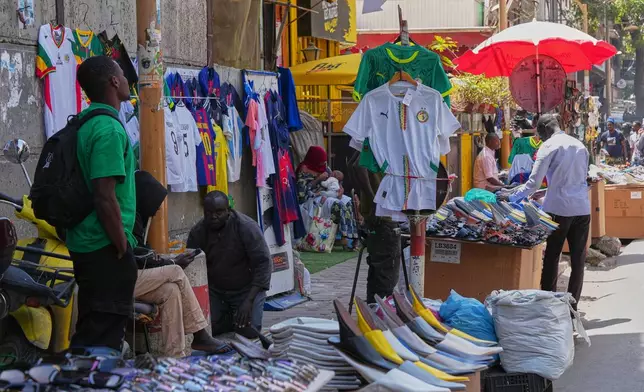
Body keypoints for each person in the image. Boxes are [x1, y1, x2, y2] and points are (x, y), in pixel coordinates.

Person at [66, 56, 138, 350]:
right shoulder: (108, 130)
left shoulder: (86, 123)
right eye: (122, 73)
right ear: (113, 81)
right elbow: (104, 195)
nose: (126, 77)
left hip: (87, 240)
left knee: (93, 326)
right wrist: (121, 245)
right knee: (103, 336)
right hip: (104, 244)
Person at [131, 170, 231, 357]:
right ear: (144, 198)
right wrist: (171, 261)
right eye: (156, 202)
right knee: (175, 271)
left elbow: (140, 254)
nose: (158, 209)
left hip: (135, 278)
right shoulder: (128, 221)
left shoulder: (140, 221)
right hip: (120, 278)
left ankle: (174, 357)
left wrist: (161, 260)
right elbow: (133, 257)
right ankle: (200, 335)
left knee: (171, 291)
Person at [507, 114, 590, 310]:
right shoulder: (579, 145)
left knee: (552, 256)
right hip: (582, 208)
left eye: (538, 132)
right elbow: (576, 180)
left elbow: (532, 183)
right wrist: (546, 190)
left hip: (558, 209)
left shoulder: (549, 146)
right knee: (578, 260)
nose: (539, 137)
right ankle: (572, 309)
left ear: (544, 129)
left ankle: (548, 306)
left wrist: (510, 198)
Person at [187, 191, 271, 336]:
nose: (214, 216)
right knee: (207, 330)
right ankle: (226, 317)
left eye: (219, 212)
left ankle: (236, 314)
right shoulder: (198, 232)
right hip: (216, 291)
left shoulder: (246, 227)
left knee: (249, 332)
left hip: (246, 290)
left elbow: (263, 264)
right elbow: (193, 269)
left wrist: (248, 302)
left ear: (229, 210)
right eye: (209, 212)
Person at [296, 146, 358, 248]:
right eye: (321, 161)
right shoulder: (304, 169)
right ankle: (340, 237)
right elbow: (301, 194)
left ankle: (350, 236)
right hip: (312, 198)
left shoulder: (324, 167)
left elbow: (334, 180)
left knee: (348, 201)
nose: (323, 164)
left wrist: (340, 189)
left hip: (328, 193)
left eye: (324, 162)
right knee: (337, 205)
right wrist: (318, 179)